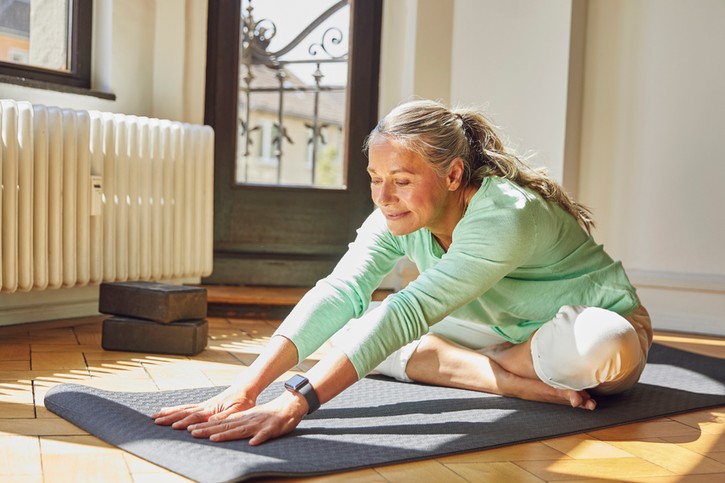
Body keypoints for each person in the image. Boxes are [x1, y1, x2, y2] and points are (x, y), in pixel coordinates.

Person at [152, 99, 653, 445]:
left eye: (401, 180)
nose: (383, 196)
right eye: (374, 179)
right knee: (347, 328)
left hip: (587, 328)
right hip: (492, 330)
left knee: (602, 346)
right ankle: (515, 378)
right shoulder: (398, 216)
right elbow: (342, 289)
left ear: (453, 174)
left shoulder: (505, 214)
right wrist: (247, 387)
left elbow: (410, 309)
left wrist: (296, 401)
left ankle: (501, 364)